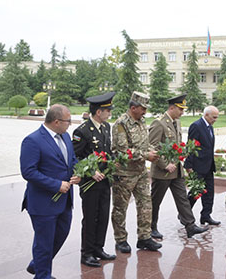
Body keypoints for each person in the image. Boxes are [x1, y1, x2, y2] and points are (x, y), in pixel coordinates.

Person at [20, 104, 81, 279]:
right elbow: (28, 172)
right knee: (44, 242)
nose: (70, 124)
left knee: (61, 234)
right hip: (43, 202)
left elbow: (72, 160)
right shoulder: (32, 140)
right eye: (68, 121)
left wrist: (78, 173)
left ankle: (38, 264)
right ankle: (42, 275)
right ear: (56, 121)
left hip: (65, 200)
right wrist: (56, 185)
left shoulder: (66, 136)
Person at [149, 94, 208, 239]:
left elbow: (176, 145)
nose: (182, 112)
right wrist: (165, 164)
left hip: (176, 170)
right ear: (172, 108)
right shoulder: (159, 123)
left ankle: (190, 225)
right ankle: (151, 227)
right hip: (162, 172)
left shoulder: (177, 122)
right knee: (155, 201)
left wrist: (183, 154)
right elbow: (152, 147)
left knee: (182, 198)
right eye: (180, 109)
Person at [111, 91, 162, 253]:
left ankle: (144, 237)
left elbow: (144, 144)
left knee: (146, 205)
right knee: (120, 208)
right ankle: (120, 240)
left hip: (140, 172)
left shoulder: (141, 121)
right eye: (143, 108)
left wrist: (154, 151)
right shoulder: (121, 124)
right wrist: (146, 155)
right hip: (124, 174)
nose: (145, 112)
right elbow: (123, 152)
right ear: (133, 108)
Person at [72, 91, 117, 267]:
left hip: (104, 180)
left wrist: (114, 162)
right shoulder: (82, 131)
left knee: (103, 216)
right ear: (99, 112)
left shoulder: (106, 127)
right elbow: (75, 157)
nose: (110, 113)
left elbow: (107, 151)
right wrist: (90, 171)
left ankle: (98, 248)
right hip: (90, 183)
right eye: (108, 110)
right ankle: (87, 253)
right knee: (91, 217)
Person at [185, 105, 221, 225]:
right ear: (206, 115)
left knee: (209, 193)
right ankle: (184, 214)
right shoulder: (196, 126)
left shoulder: (210, 127)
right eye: (214, 117)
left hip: (209, 166)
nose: (215, 120)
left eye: (216, 117)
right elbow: (191, 146)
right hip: (198, 166)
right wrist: (188, 166)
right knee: (196, 192)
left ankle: (206, 215)